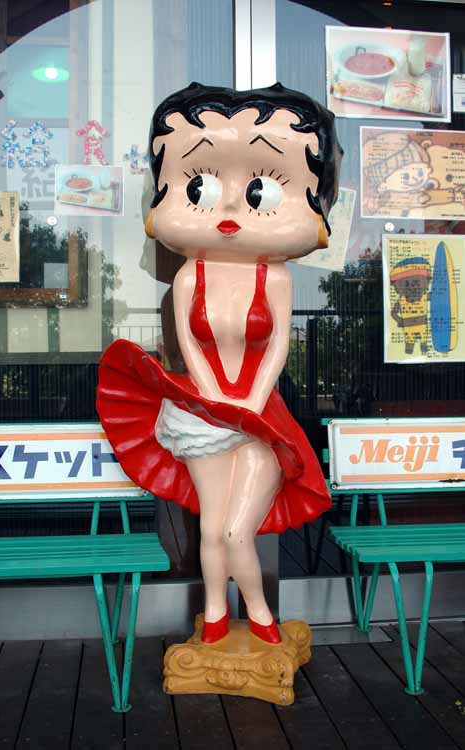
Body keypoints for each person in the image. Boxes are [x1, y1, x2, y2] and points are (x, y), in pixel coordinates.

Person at [97, 82, 342, 645]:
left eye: (261, 189)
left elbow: (278, 348)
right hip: (205, 414)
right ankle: (213, 616)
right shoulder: (191, 275)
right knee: (211, 528)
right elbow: (189, 342)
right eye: (200, 186)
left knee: (236, 530)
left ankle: (259, 615)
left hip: (261, 417)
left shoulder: (273, 276)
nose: (229, 208)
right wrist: (214, 403)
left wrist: (249, 405)